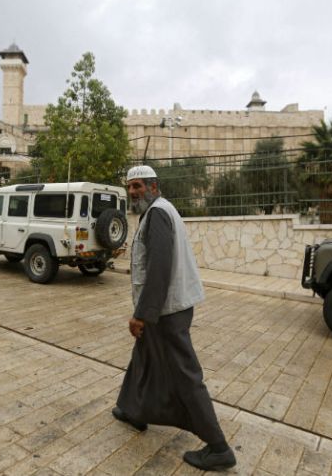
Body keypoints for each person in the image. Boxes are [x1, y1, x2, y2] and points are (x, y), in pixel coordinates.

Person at [112, 165, 237, 472]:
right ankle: (133, 410)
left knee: (184, 374)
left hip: (165, 311)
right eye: (130, 187)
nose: (132, 192)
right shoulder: (160, 211)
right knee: (144, 357)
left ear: (154, 186)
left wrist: (142, 315)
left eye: (138, 186)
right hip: (167, 307)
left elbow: (159, 270)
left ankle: (218, 447)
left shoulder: (157, 214)